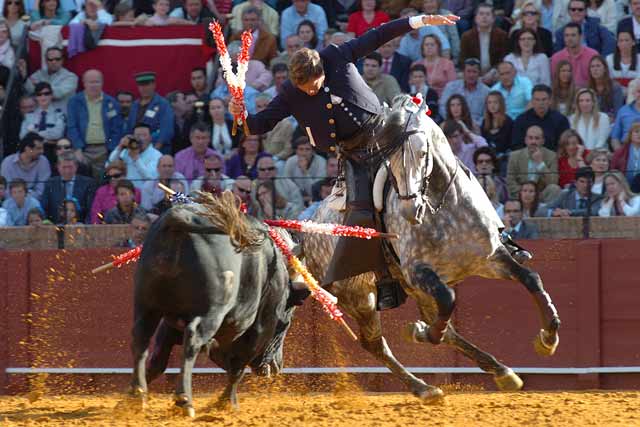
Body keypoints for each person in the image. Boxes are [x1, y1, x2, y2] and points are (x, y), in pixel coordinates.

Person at [229, 13, 459, 309]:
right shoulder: (290, 92)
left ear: (321, 69)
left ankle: (472, 229)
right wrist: (240, 115)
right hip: (355, 153)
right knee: (361, 213)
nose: (311, 92)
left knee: (430, 159)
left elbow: (378, 35)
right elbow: (258, 125)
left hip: (385, 130)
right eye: (306, 90)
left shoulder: (336, 55)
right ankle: (386, 277)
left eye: (314, 85)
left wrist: (420, 21)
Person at [67, 69, 123, 179]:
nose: (93, 85)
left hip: (104, 150)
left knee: (102, 181)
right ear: (84, 84)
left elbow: (117, 129)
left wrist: (110, 149)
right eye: (90, 82)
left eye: (96, 82)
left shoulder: (111, 103)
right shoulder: (74, 102)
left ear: (102, 83)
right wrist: (78, 148)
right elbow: (71, 127)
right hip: (83, 150)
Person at [506, 125, 561, 202]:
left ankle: (545, 212)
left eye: (537, 138)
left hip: (541, 195)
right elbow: (510, 181)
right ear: (525, 140)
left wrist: (540, 164)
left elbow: (554, 181)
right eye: (530, 138)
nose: (533, 142)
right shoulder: (514, 156)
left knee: (554, 189)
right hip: (521, 195)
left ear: (543, 141)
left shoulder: (551, 156)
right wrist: (527, 193)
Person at [40, 151, 97, 223]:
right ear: (58, 167)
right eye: (64, 167)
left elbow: (91, 210)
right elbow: (43, 208)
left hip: (81, 227)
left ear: (76, 166)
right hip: (55, 227)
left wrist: (86, 227)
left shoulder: (88, 183)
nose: (67, 171)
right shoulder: (50, 183)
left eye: (70, 167)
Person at [459, 4, 509, 85]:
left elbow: (503, 58)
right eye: (481, 14)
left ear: (493, 19)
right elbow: (463, 59)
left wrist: (492, 72)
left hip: (495, 74)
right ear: (475, 18)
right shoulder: (466, 36)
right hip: (474, 73)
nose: (484, 17)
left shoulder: (502, 35)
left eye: (487, 14)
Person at [127, 71, 175, 153]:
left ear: (153, 85)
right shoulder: (134, 105)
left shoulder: (163, 104)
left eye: (146, 85)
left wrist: (154, 151)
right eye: (141, 85)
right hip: (136, 150)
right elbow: (129, 128)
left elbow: (167, 130)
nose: (143, 88)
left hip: (157, 150)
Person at [512, 84, 570, 151]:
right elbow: (516, 146)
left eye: (544, 99)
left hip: (553, 158)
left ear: (550, 101)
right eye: (537, 99)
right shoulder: (521, 120)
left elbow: (564, 145)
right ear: (532, 101)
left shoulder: (561, 120)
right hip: (527, 158)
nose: (540, 103)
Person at [19, 81, 66, 164]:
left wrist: (35, 134)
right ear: (36, 97)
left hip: (52, 151)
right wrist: (46, 139)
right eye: (39, 94)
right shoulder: (30, 115)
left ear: (51, 95)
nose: (43, 97)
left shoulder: (58, 114)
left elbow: (58, 133)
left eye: (46, 93)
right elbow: (23, 136)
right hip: (33, 152)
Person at [21, 47, 78, 113]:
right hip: (40, 116)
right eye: (50, 59)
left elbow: (57, 94)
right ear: (46, 61)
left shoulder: (71, 77)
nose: (54, 62)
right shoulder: (40, 73)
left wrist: (37, 86)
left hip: (62, 117)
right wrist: (24, 76)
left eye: (57, 59)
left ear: (62, 60)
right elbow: (29, 89)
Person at [107, 123, 163, 189]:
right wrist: (119, 147)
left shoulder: (156, 155)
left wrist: (136, 159)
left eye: (144, 135)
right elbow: (109, 164)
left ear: (150, 137)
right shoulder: (127, 151)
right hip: (125, 193)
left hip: (144, 193)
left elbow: (150, 178)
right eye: (138, 135)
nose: (141, 138)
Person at [440, 58, 490, 125]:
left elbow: (486, 114)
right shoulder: (451, 87)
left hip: (476, 127)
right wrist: (454, 122)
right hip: (453, 125)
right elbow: (442, 107)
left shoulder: (486, 91)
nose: (471, 75)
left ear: (479, 73)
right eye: (468, 71)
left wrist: (473, 124)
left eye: (474, 72)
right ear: (463, 72)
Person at [0, 133, 50, 199]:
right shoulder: (8, 162)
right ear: (27, 149)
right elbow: (6, 190)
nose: (42, 151)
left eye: (42, 148)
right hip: (11, 202)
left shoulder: (43, 161)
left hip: (34, 203)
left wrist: (25, 200)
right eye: (38, 148)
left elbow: (41, 190)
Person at [550, 22, 599, 88]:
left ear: (581, 36)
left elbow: (598, 80)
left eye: (573, 35)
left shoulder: (593, 55)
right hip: (565, 94)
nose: (569, 38)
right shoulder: (556, 58)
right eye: (567, 35)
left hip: (588, 93)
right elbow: (555, 82)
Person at [283, 136, 327, 200]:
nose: (304, 153)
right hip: (295, 198)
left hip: (316, 200)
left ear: (313, 151)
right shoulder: (290, 161)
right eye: (301, 149)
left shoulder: (321, 162)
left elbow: (315, 191)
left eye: (307, 149)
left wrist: (305, 172)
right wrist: (300, 197)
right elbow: (286, 185)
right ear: (296, 151)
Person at [481, 91, 513, 169]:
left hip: (504, 158)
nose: (492, 105)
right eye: (489, 103)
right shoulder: (485, 122)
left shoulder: (508, 122)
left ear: (501, 104)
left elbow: (511, 145)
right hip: (488, 158)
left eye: (495, 102)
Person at [587, 55, 624, 121]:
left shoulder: (615, 87)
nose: (595, 69)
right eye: (592, 66)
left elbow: (618, 112)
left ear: (605, 69)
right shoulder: (587, 88)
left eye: (598, 66)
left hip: (611, 122)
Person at [610, 84, 640, 152]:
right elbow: (615, 138)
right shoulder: (623, 111)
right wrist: (621, 154)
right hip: (627, 151)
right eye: (639, 91)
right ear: (633, 93)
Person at [612, 121, 640, 192]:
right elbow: (613, 171)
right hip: (623, 188)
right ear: (630, 134)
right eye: (636, 131)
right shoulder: (620, 152)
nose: (639, 134)